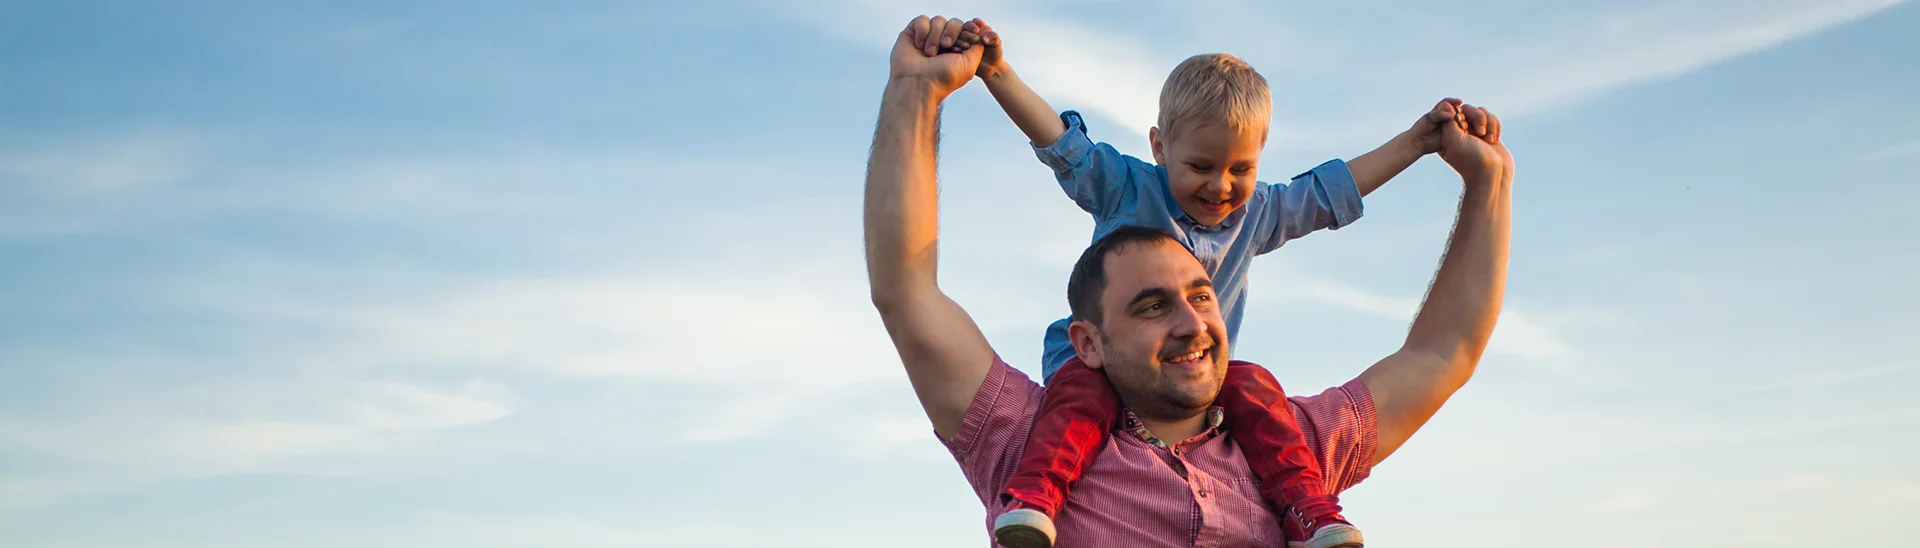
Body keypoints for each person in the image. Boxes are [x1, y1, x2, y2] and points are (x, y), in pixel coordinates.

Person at [866, 15, 1512, 548]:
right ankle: (1040, 498)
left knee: (1255, 382)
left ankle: (1311, 513)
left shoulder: (1283, 444)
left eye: (1203, 295)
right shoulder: (1026, 435)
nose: (1192, 322)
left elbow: (1443, 350)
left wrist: (1487, 182)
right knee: (1076, 406)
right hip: (1059, 440)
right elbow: (907, 288)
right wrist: (917, 93)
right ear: (1089, 339)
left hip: (1276, 457)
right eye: (1150, 304)